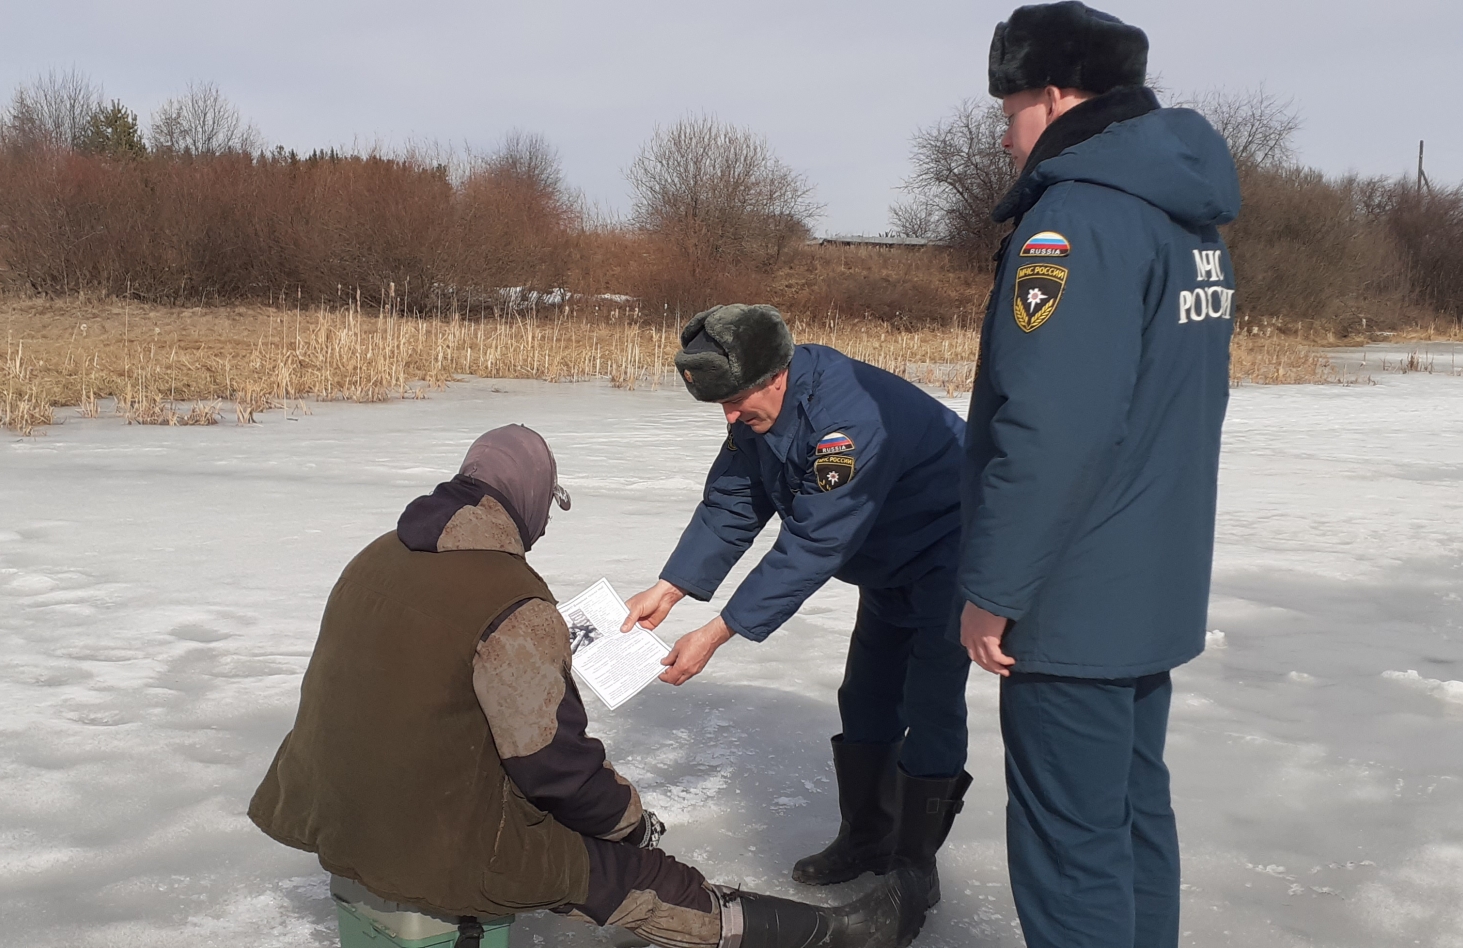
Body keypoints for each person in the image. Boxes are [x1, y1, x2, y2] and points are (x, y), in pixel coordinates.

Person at [248, 425, 910, 948]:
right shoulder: (511, 601)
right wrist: (629, 826)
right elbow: (553, 767)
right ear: (529, 498)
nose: (547, 522)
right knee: (636, 876)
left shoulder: (377, 555)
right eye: (548, 506)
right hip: (436, 845)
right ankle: (838, 936)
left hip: (339, 813)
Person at [957, 4, 1240, 946]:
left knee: (1068, 843)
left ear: (1054, 94)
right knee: (1130, 815)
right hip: (1152, 578)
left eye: (1008, 110)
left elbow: (1051, 430)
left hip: (1073, 595)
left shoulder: (1074, 220)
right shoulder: (1186, 217)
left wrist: (994, 589)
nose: (1004, 136)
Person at [621, 305, 972, 937]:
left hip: (951, 554)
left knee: (932, 702)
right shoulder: (759, 408)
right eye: (720, 405)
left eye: (735, 401)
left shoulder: (846, 423)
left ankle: (915, 873)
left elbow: (813, 543)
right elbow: (734, 499)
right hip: (887, 562)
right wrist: (669, 590)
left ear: (775, 375)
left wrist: (719, 631)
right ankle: (866, 840)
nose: (730, 418)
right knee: (865, 695)